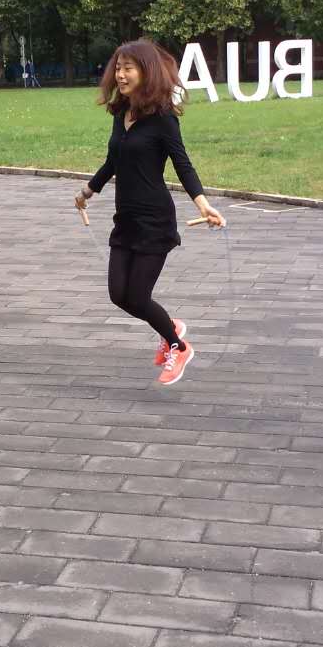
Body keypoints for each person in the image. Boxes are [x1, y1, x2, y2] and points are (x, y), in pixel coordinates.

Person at [75, 40, 225, 387]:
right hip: (125, 220)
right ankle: (170, 327)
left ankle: (179, 347)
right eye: (118, 67)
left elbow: (183, 164)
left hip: (155, 221)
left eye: (128, 68)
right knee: (118, 294)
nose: (120, 74)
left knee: (138, 296)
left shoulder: (163, 119)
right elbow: (113, 160)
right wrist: (87, 192)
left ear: (146, 72)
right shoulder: (121, 114)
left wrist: (203, 204)